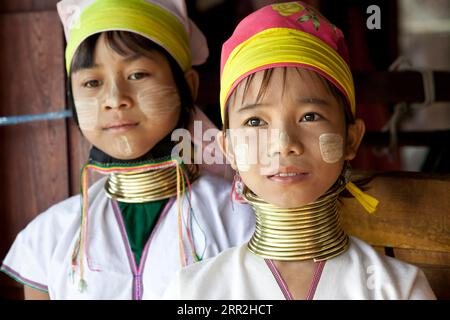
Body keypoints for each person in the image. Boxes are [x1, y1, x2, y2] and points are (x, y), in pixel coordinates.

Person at [163, 2, 436, 299]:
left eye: (310, 116)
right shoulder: (193, 291)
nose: (284, 144)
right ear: (228, 148)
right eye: (255, 121)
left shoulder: (398, 289)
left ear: (350, 139)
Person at [1, 0, 254, 300]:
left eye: (137, 75)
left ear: (188, 86)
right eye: (92, 82)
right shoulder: (49, 238)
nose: (114, 98)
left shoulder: (241, 221)